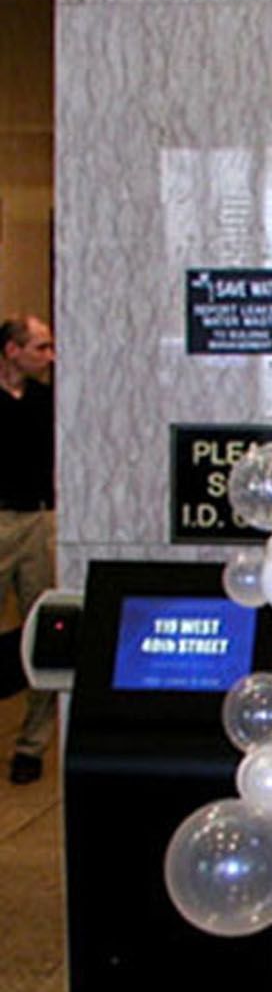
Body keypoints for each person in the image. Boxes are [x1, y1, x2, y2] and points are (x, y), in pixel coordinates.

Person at [0, 314, 56, 783]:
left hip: (39, 519)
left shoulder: (47, 402)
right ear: (12, 351)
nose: (49, 357)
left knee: (45, 630)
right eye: (40, 347)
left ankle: (32, 745)